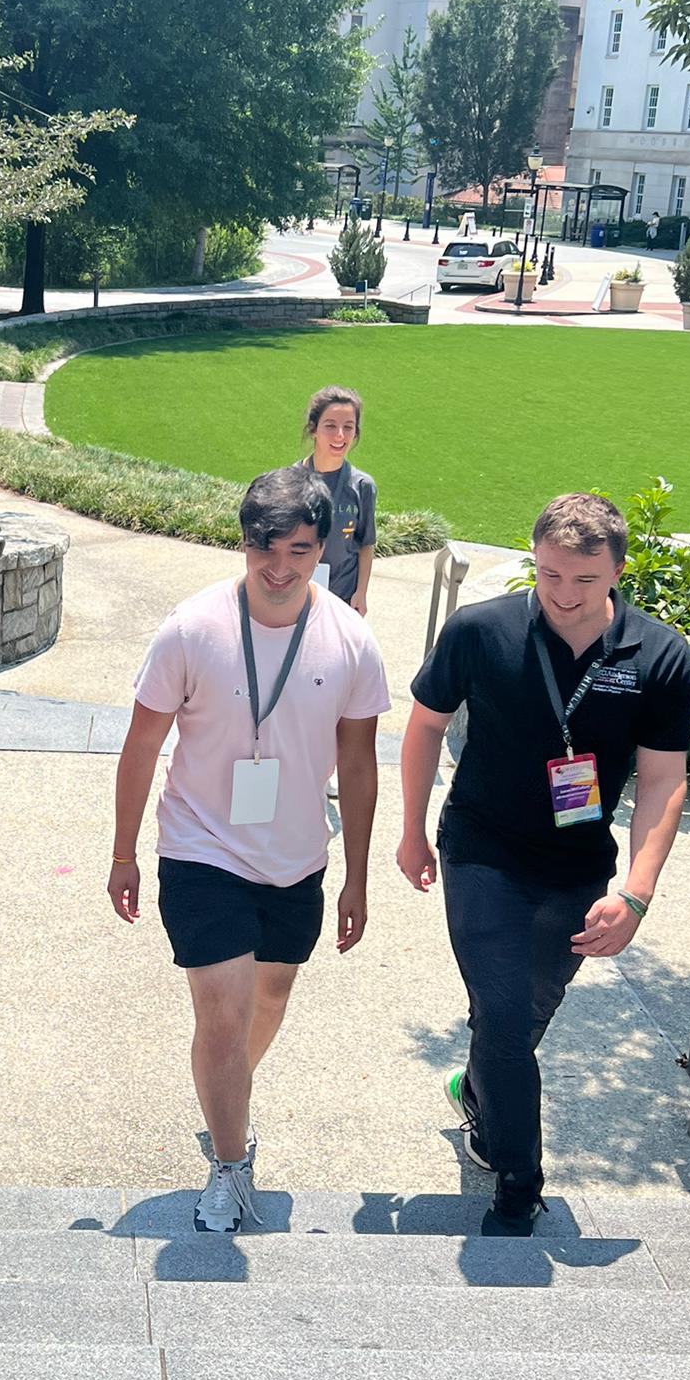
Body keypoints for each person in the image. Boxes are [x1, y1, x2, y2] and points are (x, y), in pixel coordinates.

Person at [397, 494, 690, 1238]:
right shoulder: (479, 629)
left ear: (620, 571)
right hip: (481, 848)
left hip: (577, 865)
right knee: (502, 1009)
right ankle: (518, 1181)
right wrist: (410, 830)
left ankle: (478, 1090)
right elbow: (426, 725)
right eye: (551, 575)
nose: (564, 595)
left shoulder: (660, 655)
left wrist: (637, 892)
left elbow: (663, 780)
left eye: (585, 581)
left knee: (523, 1014)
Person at [108, 469, 390, 1233]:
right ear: (242, 541)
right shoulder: (191, 628)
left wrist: (357, 876)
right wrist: (124, 854)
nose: (279, 567)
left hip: (298, 856)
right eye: (263, 548)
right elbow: (141, 746)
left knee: (269, 998)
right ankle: (231, 1164)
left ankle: (223, 1089)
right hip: (201, 847)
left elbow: (359, 766)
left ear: (323, 546)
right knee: (224, 1015)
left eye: (298, 550)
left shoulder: (351, 640)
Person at [294, 386, 377, 617]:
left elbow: (366, 543)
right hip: (295, 596)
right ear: (313, 429)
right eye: (330, 425)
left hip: (341, 599)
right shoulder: (289, 482)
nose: (340, 435)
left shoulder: (362, 487)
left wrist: (361, 592)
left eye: (348, 427)